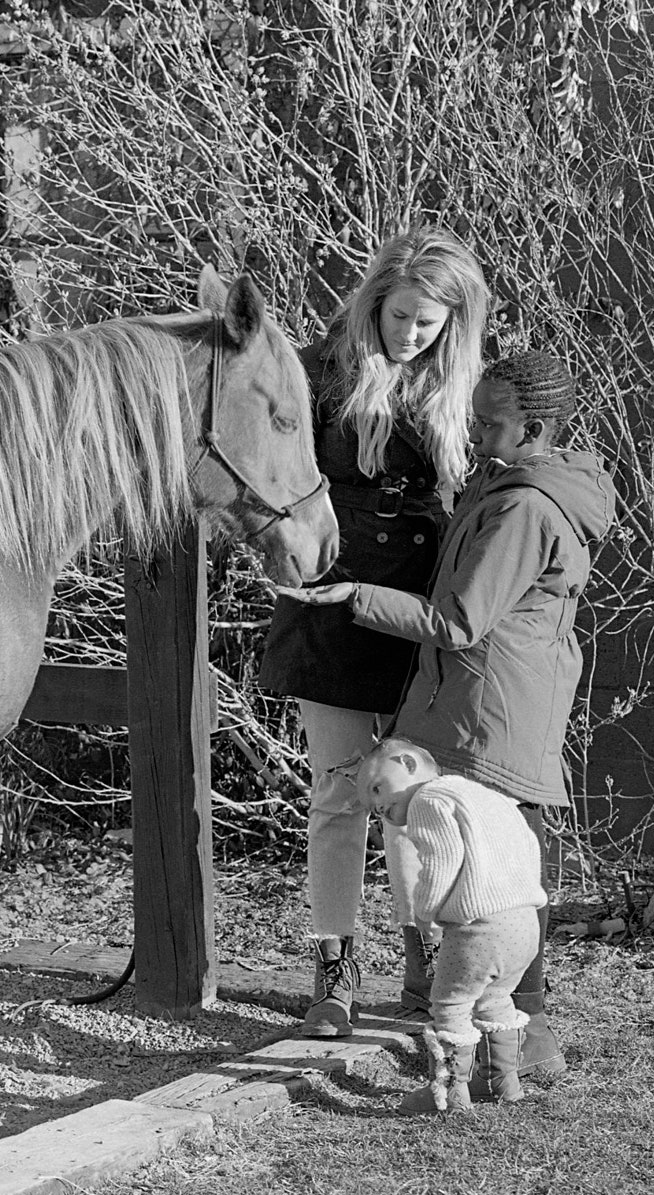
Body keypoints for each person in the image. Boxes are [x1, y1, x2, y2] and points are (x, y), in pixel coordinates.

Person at [281, 349, 618, 1083]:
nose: (473, 427)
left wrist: (355, 597)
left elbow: (461, 619)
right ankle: (487, 1036)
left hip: (491, 710)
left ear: (532, 427)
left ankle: (525, 1040)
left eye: (489, 420)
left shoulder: (526, 507)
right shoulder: (504, 485)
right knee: (486, 872)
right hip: (472, 701)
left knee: (499, 880)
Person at [260, 226, 489, 1037]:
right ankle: (334, 970)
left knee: (416, 792)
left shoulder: (457, 385)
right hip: (330, 601)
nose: (411, 335)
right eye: (400, 317)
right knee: (336, 793)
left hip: (420, 610)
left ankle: (421, 958)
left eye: (429, 324)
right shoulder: (318, 371)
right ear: (375, 301)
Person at [354, 738, 545, 1112]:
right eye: (372, 810)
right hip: (524, 922)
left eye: (377, 788)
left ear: (408, 763)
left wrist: (426, 910)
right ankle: (501, 1081)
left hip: (479, 928)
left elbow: (440, 862)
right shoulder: (485, 796)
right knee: (495, 999)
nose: (378, 806)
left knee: (450, 1005)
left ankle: (448, 1094)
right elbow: (529, 844)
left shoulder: (429, 799)